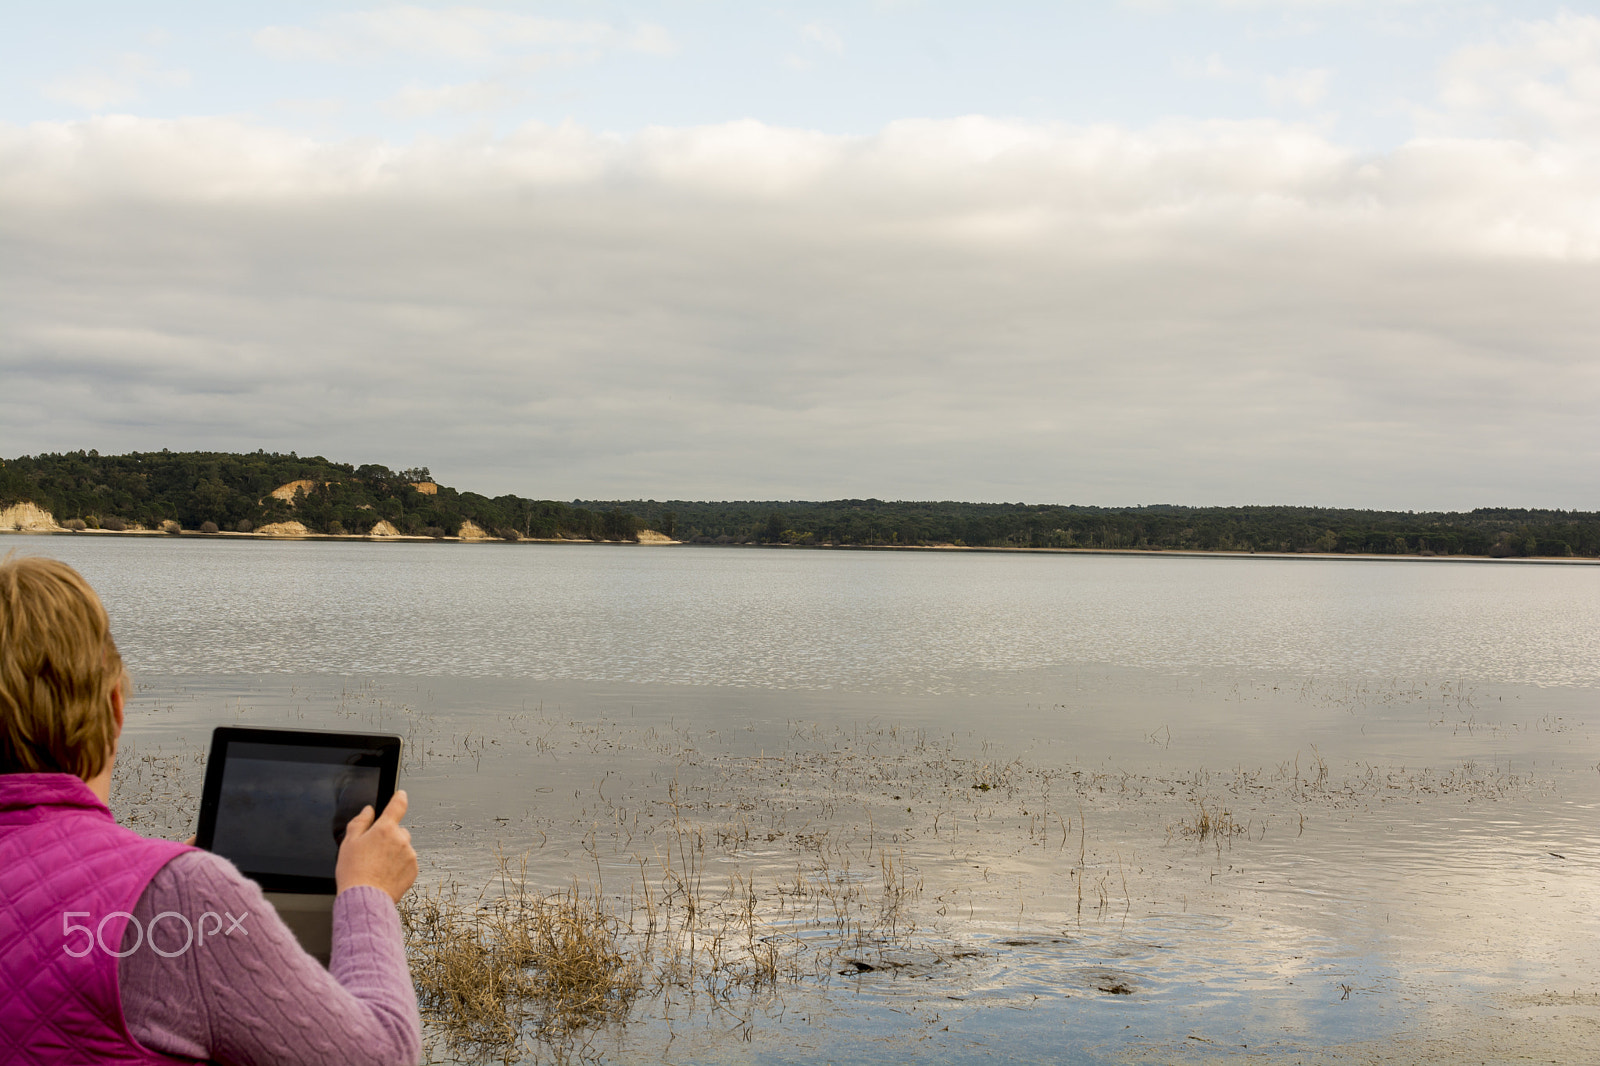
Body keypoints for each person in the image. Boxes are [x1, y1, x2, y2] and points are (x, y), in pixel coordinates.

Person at [0, 555, 422, 1065]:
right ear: (114, 708)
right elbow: (382, 1057)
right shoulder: (180, 895)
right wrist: (367, 894)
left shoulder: (171, 891)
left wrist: (144, 875)